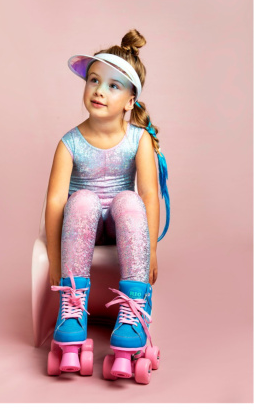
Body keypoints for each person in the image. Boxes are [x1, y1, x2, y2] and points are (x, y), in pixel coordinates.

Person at [45, 29, 169, 375]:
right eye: (95, 80)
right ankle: (72, 307)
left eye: (114, 86)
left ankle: (133, 312)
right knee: (81, 199)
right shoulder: (69, 143)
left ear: (130, 101)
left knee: (129, 199)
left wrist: (151, 252)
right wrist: (55, 260)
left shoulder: (138, 140)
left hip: (120, 225)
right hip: (80, 227)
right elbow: (55, 202)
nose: (99, 90)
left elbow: (149, 196)